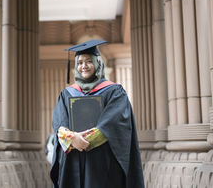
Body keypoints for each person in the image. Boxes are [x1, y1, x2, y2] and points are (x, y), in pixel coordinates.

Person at [50, 40, 144, 188]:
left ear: (98, 62)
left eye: (88, 61)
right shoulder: (67, 94)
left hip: (102, 162)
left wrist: (82, 140)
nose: (84, 66)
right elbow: (59, 123)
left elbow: (113, 122)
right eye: (80, 62)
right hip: (73, 160)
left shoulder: (114, 91)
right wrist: (73, 138)